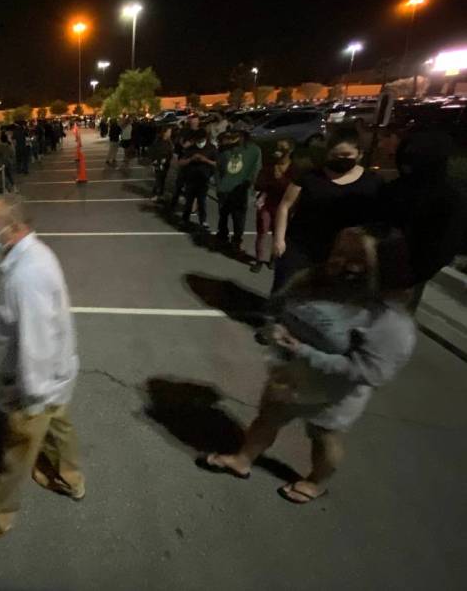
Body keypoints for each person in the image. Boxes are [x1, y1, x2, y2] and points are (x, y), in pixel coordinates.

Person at [199, 225, 416, 504]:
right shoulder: (320, 281)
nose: (341, 262)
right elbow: (285, 308)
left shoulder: (388, 321)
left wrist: (303, 351)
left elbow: (370, 372)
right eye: (339, 252)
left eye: (356, 258)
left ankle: (316, 482)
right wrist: (276, 329)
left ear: (381, 267)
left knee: (324, 438)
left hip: (334, 394)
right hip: (291, 375)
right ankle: (242, 460)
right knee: (267, 419)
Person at [0, 194, 84, 549]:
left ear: (16, 227)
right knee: (61, 427)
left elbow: (36, 343)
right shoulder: (27, 258)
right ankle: (71, 478)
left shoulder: (28, 275)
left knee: (17, 451)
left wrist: (29, 398)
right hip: (52, 376)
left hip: (35, 383)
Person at [272, 128, 382, 292]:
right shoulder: (310, 177)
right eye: (336, 155)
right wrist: (279, 240)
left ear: (359, 154)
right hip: (301, 244)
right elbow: (285, 205)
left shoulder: (372, 183)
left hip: (341, 251)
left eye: (346, 155)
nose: (341, 159)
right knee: (286, 286)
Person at [379, 131, 467, 312]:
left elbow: (444, 244)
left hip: (412, 278)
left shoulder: (449, 198)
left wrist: (411, 277)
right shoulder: (395, 189)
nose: (407, 162)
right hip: (378, 270)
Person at [253, 138, 296, 272]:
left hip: (284, 206)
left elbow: (294, 188)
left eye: (283, 148)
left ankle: (273, 259)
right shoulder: (269, 167)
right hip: (267, 204)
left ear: (290, 151)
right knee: (262, 233)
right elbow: (258, 184)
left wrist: (280, 180)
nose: (279, 151)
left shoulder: (295, 168)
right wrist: (274, 181)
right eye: (278, 148)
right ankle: (259, 260)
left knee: (278, 234)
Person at [215, 131, 262, 251]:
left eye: (234, 137)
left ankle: (237, 240)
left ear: (242, 136)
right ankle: (222, 236)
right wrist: (219, 185)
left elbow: (256, 169)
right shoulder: (224, 149)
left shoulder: (253, 150)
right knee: (223, 215)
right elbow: (218, 168)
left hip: (240, 190)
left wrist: (252, 186)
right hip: (224, 189)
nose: (231, 140)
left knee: (239, 217)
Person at [177, 129, 218, 230]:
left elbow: (218, 163)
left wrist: (205, 160)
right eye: (197, 140)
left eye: (201, 140)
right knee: (188, 201)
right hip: (190, 178)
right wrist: (191, 159)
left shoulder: (211, 149)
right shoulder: (190, 149)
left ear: (205, 138)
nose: (199, 142)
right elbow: (180, 162)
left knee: (202, 201)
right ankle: (184, 219)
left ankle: (203, 221)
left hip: (204, 178)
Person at [149, 126, 174, 201]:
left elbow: (170, 152)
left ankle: (160, 194)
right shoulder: (158, 141)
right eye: (169, 132)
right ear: (164, 132)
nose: (170, 133)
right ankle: (156, 194)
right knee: (158, 179)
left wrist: (167, 158)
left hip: (166, 163)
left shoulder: (169, 142)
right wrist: (155, 160)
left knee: (162, 179)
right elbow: (153, 151)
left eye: (170, 132)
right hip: (158, 163)